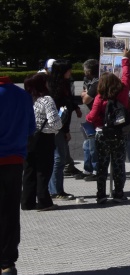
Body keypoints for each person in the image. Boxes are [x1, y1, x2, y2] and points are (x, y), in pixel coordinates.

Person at [1, 72, 37, 275]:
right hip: (13, 161)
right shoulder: (22, 96)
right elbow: (31, 128)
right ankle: (7, 264)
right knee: (9, 212)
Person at [86, 50, 130, 203]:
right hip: (119, 133)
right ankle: (118, 193)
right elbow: (126, 76)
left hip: (102, 134)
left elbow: (91, 117)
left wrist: (98, 121)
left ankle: (101, 195)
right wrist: (125, 59)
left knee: (102, 165)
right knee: (119, 164)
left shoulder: (100, 97)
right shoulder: (123, 91)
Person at [21, 73, 62, 212]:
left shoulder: (25, 99)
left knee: (29, 170)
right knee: (43, 171)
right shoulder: (46, 100)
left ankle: (27, 202)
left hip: (27, 138)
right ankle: (44, 202)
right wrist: (54, 129)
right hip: (44, 139)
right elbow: (55, 123)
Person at [47, 61, 82, 200]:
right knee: (59, 158)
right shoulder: (56, 87)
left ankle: (55, 189)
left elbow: (69, 102)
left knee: (59, 158)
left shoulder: (62, 84)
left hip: (60, 126)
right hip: (57, 127)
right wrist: (65, 130)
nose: (71, 72)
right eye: (68, 70)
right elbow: (61, 108)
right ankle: (56, 191)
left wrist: (76, 107)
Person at [80, 59, 100, 181]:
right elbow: (83, 94)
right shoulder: (88, 80)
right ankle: (88, 170)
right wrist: (85, 94)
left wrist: (85, 94)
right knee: (86, 145)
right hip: (88, 117)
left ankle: (97, 170)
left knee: (93, 146)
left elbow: (85, 99)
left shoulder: (97, 82)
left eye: (85, 69)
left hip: (95, 117)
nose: (84, 71)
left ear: (89, 70)